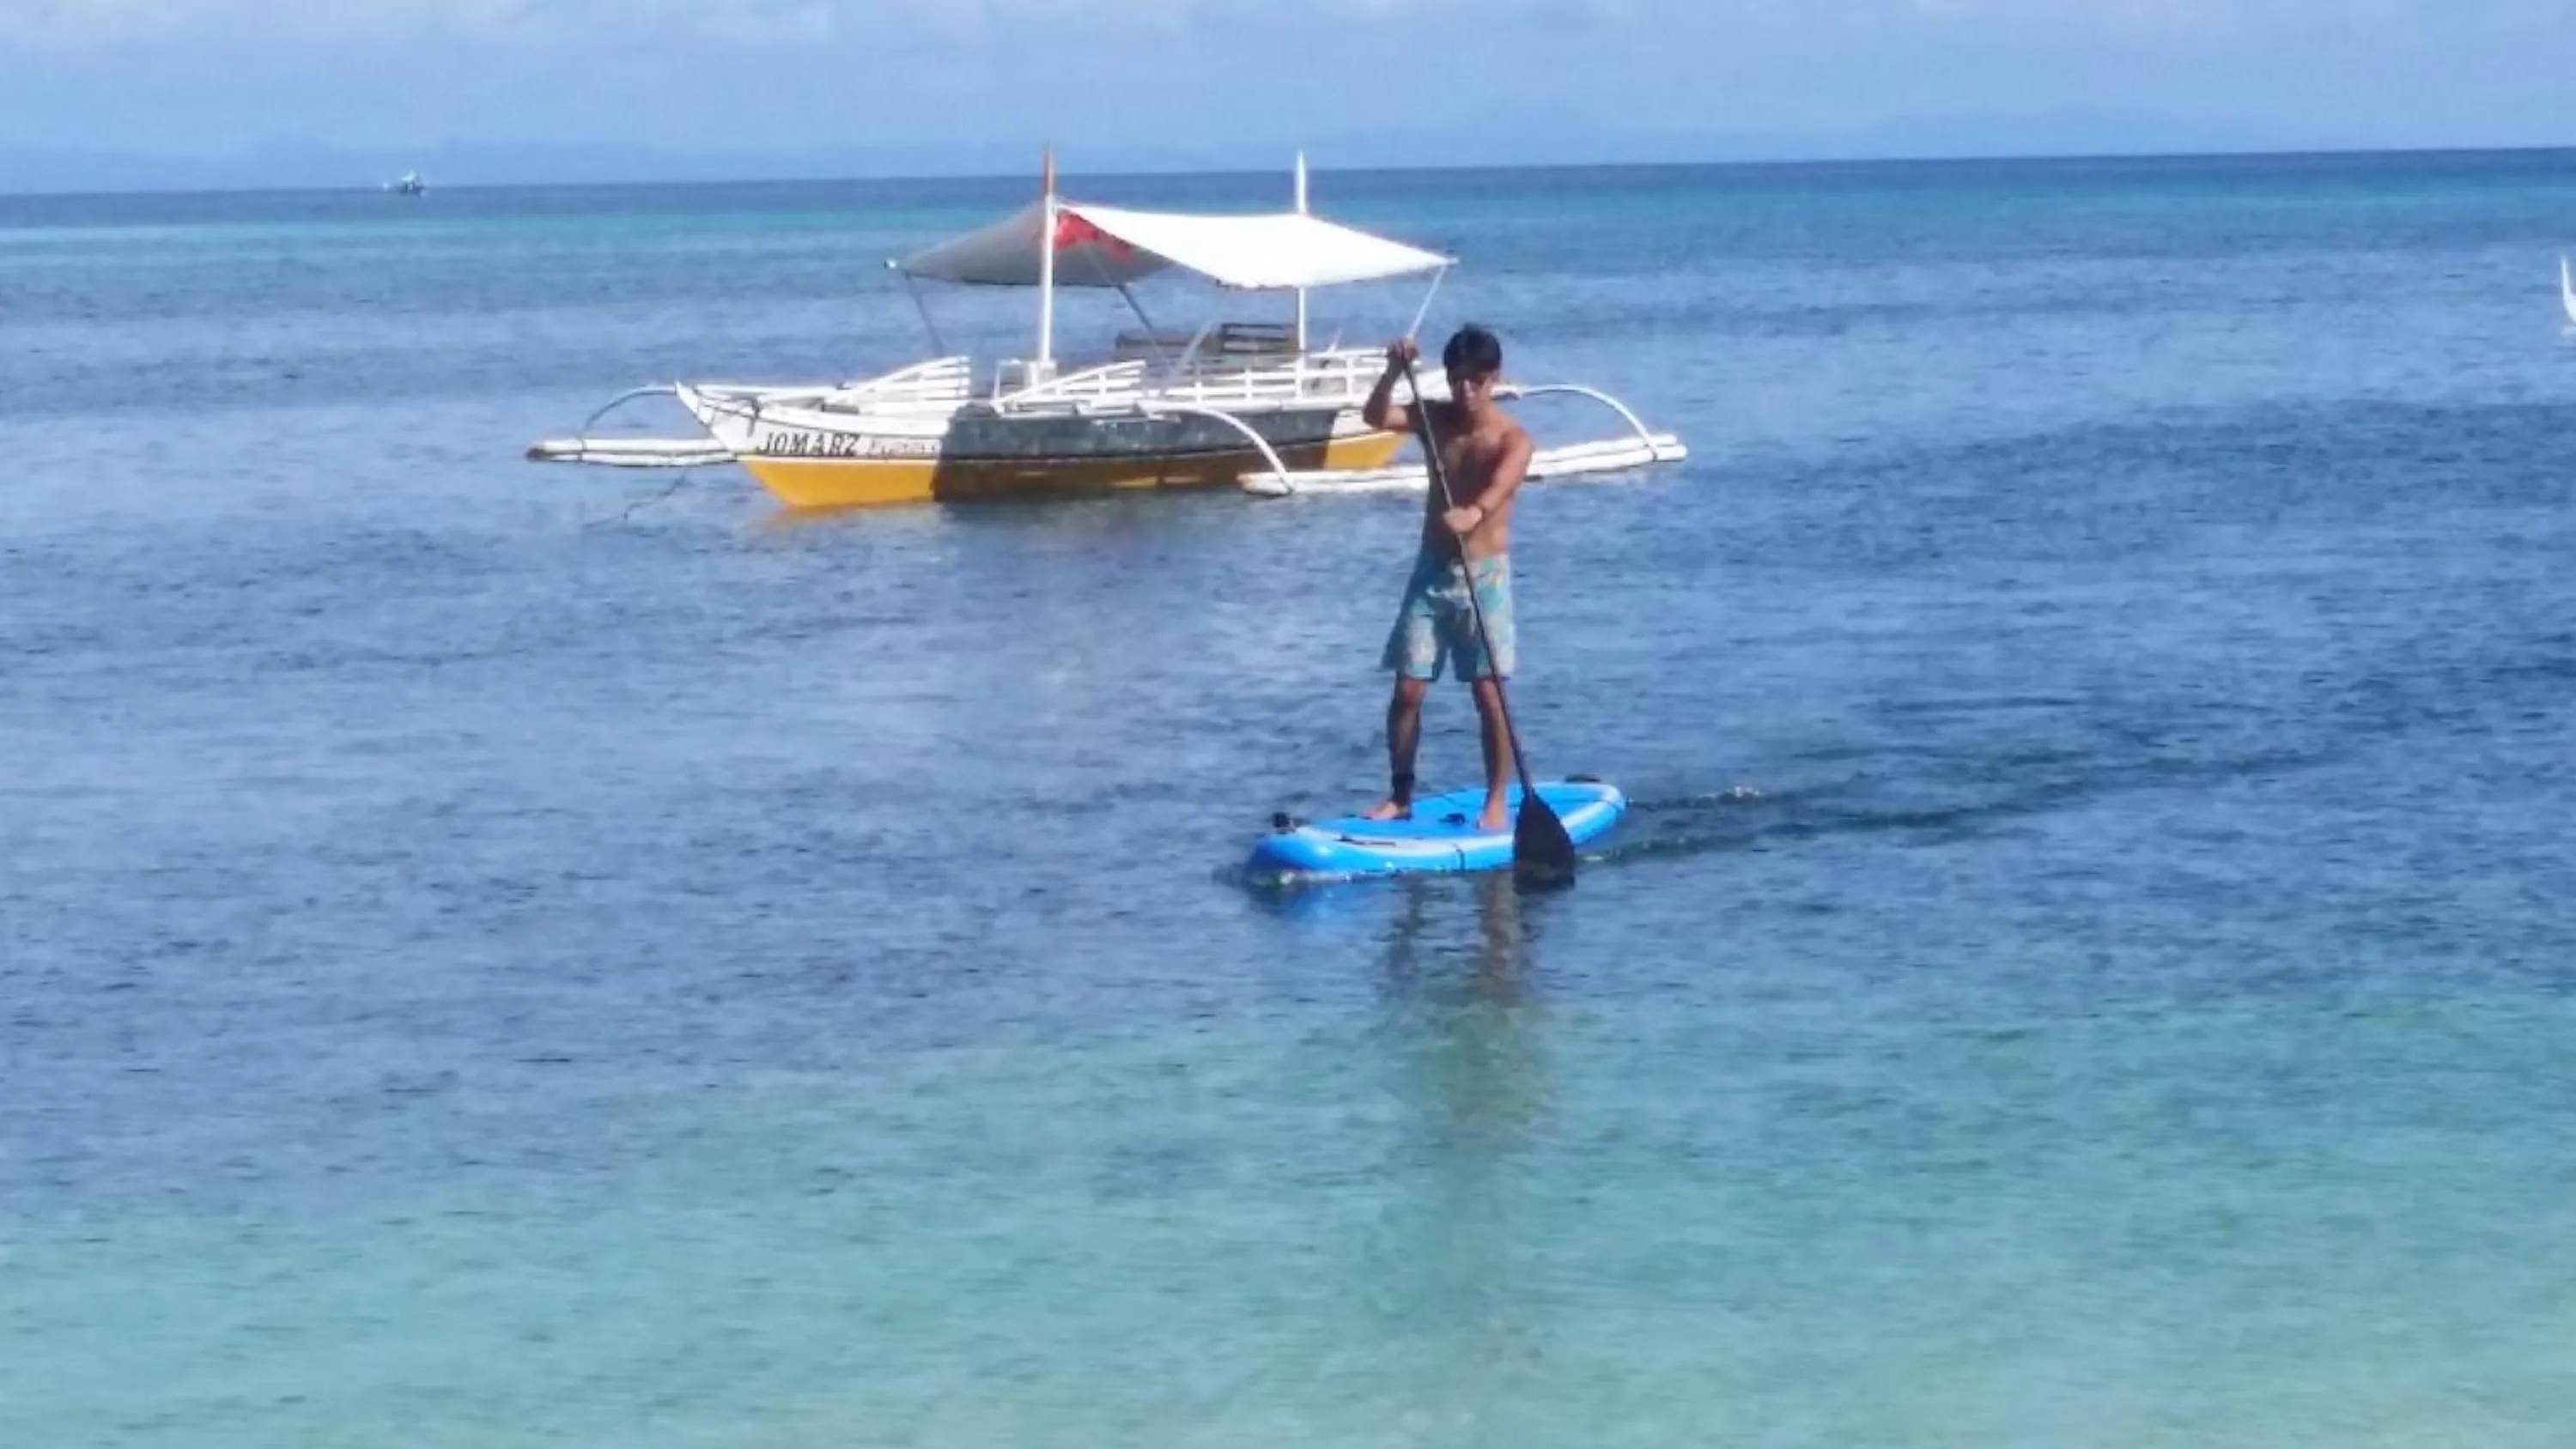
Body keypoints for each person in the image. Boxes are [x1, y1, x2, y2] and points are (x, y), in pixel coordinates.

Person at [1360, 324, 1535, 832]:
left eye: (1476, 381)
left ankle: (1498, 800)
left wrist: (1474, 512)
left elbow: (1502, 486)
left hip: (1486, 579)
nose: (1466, 390)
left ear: (1494, 378)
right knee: (1408, 691)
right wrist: (1394, 372)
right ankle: (1400, 796)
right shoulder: (1433, 419)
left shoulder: (1514, 439)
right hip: (1432, 572)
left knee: (1488, 693)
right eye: (1457, 379)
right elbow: (1375, 416)